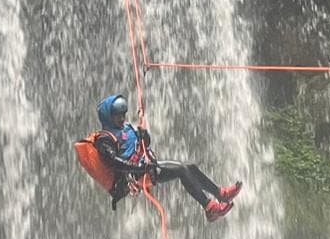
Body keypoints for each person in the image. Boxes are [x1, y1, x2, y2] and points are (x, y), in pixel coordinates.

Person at [75, 94, 241, 222]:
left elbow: (143, 144)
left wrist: (144, 136)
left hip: (146, 167)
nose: (122, 118)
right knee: (182, 170)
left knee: (189, 167)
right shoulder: (105, 139)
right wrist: (139, 168)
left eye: (123, 114)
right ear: (108, 117)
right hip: (133, 177)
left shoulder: (124, 128)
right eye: (118, 116)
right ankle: (209, 207)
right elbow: (113, 162)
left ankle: (220, 194)